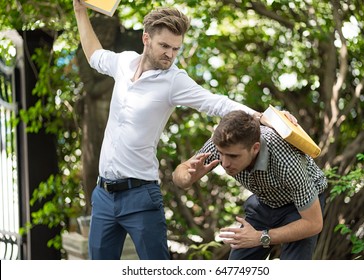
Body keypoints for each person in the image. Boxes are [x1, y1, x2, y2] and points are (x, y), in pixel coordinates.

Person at [73, 1, 298, 260]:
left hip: (140, 196)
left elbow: (216, 102)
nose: (170, 54)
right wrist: (80, 11)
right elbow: (93, 55)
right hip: (103, 195)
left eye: (176, 48)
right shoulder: (124, 63)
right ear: (146, 39)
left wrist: (263, 117)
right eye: (164, 46)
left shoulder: (173, 80)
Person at [173, 110, 327, 260]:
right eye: (221, 154)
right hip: (265, 202)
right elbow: (180, 172)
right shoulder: (223, 144)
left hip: (300, 208)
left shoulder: (287, 162)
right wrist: (188, 178)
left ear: (255, 148)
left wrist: (261, 237)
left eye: (233, 156)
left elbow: (313, 224)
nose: (224, 163)